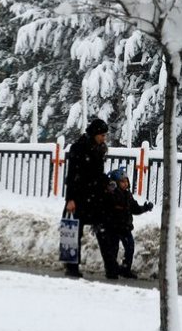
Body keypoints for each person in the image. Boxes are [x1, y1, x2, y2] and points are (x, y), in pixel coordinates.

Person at [62, 117, 110, 278]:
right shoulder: (79, 148)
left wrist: (107, 183)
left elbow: (97, 174)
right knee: (74, 232)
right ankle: (71, 266)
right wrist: (70, 199)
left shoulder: (99, 149)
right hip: (80, 198)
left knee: (103, 232)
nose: (104, 138)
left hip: (95, 198)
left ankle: (111, 268)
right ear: (95, 133)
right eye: (102, 135)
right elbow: (73, 175)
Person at [102, 167, 153, 278]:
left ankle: (126, 269)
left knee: (130, 247)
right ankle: (111, 270)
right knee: (113, 249)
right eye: (122, 182)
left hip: (125, 227)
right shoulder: (111, 194)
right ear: (115, 183)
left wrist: (145, 208)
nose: (125, 184)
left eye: (126, 181)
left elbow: (135, 209)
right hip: (113, 228)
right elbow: (107, 207)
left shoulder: (128, 195)